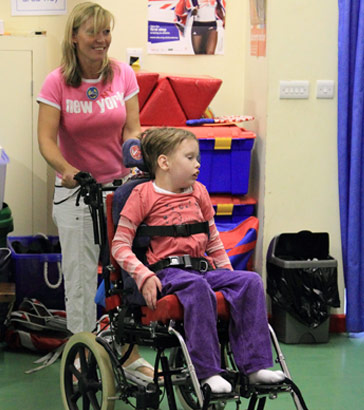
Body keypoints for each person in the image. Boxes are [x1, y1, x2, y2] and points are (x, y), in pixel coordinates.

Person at [112, 127, 285, 394]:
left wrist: (228, 278)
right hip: (168, 274)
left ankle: (254, 367)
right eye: (190, 157)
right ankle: (207, 372)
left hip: (202, 269)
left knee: (250, 281)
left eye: (198, 158)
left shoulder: (200, 192)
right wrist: (143, 275)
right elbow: (120, 245)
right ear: (164, 162)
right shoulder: (141, 195)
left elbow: (213, 240)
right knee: (197, 288)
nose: (198, 164)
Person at [37, 1, 153, 381]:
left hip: (120, 190)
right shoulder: (57, 82)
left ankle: (129, 351)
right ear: (74, 37)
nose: (101, 40)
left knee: (125, 273)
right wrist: (68, 172)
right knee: (82, 277)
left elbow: (132, 126)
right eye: (93, 32)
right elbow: (46, 140)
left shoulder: (122, 75)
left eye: (106, 32)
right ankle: (81, 356)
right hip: (76, 194)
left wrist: (136, 152)